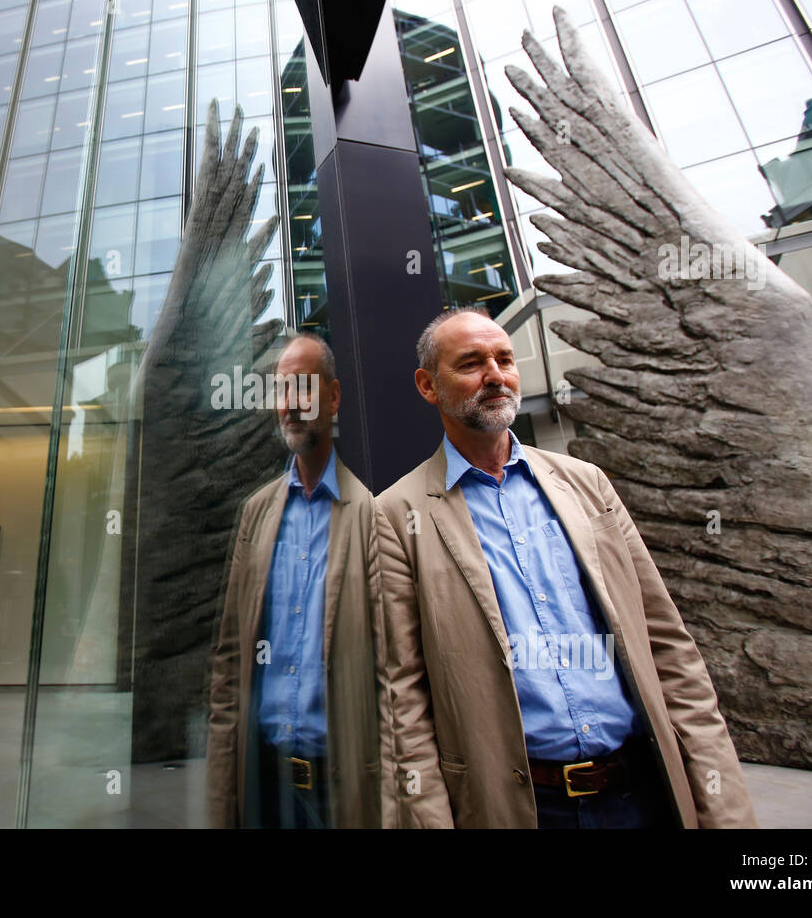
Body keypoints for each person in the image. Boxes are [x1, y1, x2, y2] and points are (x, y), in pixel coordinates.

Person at [376, 308, 756, 828]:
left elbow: (668, 647)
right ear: (427, 385)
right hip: (524, 808)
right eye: (470, 363)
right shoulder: (396, 517)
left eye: (504, 359)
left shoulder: (588, 484)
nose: (495, 375)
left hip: (642, 792)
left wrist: (723, 804)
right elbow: (404, 699)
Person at [207, 333, 391, 828]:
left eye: (304, 388)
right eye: (281, 390)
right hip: (264, 786)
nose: (290, 405)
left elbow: (397, 671)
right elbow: (229, 659)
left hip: (342, 791)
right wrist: (224, 793)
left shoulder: (376, 514)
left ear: (333, 398)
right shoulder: (257, 513)